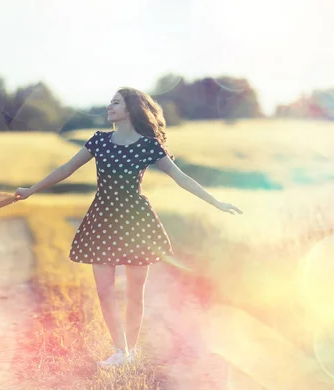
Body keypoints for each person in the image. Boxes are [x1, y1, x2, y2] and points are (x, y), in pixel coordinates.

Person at [14, 87, 243, 367]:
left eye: (115, 102)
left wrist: (216, 202)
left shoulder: (149, 145)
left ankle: (130, 352)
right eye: (110, 102)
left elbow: (181, 178)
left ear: (131, 109)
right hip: (103, 218)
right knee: (104, 291)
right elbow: (65, 169)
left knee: (136, 293)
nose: (109, 106)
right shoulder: (99, 141)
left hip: (136, 221)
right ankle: (120, 350)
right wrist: (32, 190)